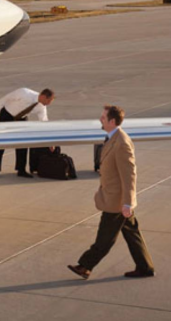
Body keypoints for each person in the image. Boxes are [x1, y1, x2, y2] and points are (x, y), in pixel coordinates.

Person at [68, 105, 155, 280]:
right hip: (114, 197)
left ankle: (85, 266)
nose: (100, 119)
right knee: (132, 233)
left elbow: (129, 174)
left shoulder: (121, 143)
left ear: (112, 121)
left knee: (105, 237)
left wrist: (128, 202)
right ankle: (145, 267)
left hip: (117, 200)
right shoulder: (112, 138)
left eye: (103, 117)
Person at [0, 88, 55, 178]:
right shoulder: (24, 93)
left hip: (21, 118)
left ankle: (21, 169)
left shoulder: (42, 107)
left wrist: (50, 142)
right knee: (2, 143)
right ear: (44, 96)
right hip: (7, 115)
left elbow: (44, 123)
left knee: (23, 142)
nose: (49, 104)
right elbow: (5, 98)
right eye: (49, 101)